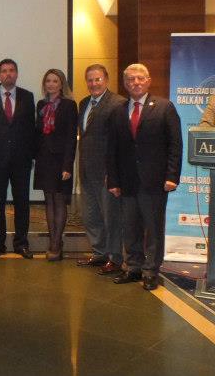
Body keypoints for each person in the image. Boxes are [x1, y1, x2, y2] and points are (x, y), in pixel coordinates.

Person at [107, 63, 182, 291]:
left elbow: (175, 145)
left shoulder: (164, 107)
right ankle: (133, 267)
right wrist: (113, 180)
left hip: (155, 181)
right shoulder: (118, 111)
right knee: (130, 228)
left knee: (153, 229)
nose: (135, 83)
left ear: (148, 81)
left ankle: (151, 271)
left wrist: (172, 176)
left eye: (140, 78)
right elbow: (112, 149)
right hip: (127, 181)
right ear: (125, 83)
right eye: (130, 79)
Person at [0, 59, 36, 259]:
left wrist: (32, 157)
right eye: (4, 71)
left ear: (17, 73)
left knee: (22, 203)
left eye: (11, 70)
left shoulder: (27, 96)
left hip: (21, 161)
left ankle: (21, 243)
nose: (8, 74)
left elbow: (31, 129)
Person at [76, 64, 127, 275]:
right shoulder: (83, 103)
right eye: (90, 80)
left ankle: (115, 258)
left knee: (111, 217)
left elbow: (120, 142)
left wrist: (113, 172)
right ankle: (99, 253)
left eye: (97, 79)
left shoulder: (118, 103)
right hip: (86, 170)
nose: (93, 83)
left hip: (107, 172)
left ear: (106, 79)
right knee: (91, 215)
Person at [33, 69, 78, 261]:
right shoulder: (41, 104)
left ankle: (56, 244)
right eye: (48, 81)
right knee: (48, 201)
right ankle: (53, 240)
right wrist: (34, 157)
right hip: (44, 159)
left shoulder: (69, 105)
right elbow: (38, 133)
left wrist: (68, 165)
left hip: (60, 160)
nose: (51, 84)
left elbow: (71, 137)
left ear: (61, 84)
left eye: (55, 81)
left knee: (59, 201)